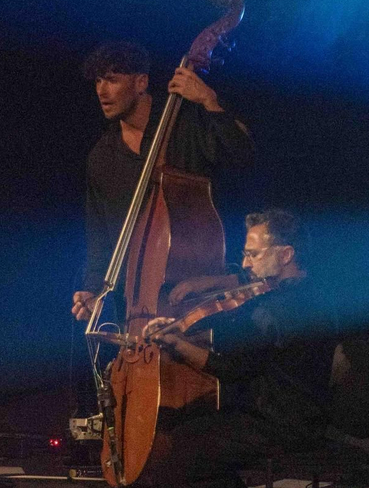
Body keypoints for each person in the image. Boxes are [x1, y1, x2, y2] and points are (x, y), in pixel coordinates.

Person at [142, 209, 338, 488]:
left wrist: (179, 345)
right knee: (182, 441)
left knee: (171, 459)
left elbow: (233, 369)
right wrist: (184, 328)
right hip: (286, 414)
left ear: (286, 254)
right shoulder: (306, 295)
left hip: (279, 422)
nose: (245, 264)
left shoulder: (279, 308)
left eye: (253, 254)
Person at [71, 41, 255, 322]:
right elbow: (100, 237)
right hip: (133, 308)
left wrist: (209, 101)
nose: (101, 91)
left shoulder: (183, 122)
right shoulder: (102, 157)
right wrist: (93, 289)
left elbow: (243, 155)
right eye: (98, 81)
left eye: (111, 80)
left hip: (193, 301)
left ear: (141, 82)